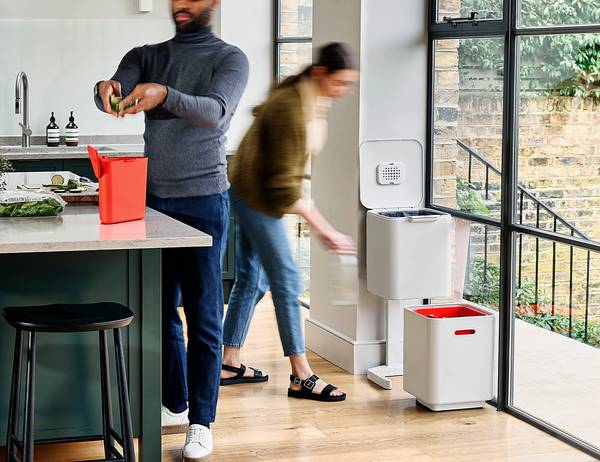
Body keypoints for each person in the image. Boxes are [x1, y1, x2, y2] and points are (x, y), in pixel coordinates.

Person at [94, 0, 248, 459]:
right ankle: (175, 402)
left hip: (204, 200)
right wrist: (105, 90)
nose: (181, 4)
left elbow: (215, 111)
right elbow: (115, 87)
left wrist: (165, 95)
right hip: (152, 202)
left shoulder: (229, 58)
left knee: (203, 315)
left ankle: (201, 422)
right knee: (159, 310)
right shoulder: (146, 54)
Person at [222, 43, 359, 402]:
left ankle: (227, 361)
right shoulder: (292, 107)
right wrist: (325, 229)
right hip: (256, 197)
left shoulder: (308, 98)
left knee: (253, 278)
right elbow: (283, 188)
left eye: (348, 84)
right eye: (340, 82)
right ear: (320, 73)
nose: (343, 91)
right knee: (288, 278)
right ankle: (301, 375)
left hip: (249, 189)